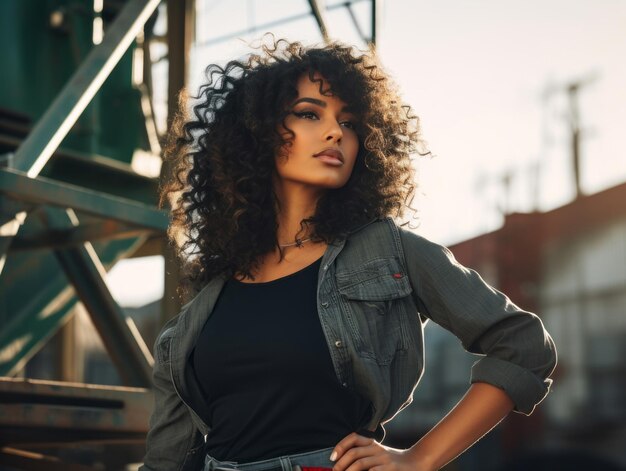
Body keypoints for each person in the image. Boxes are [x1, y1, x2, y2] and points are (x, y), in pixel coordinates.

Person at [141, 38, 557, 471]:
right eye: (308, 114)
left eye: (350, 122)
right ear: (256, 134)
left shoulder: (388, 252)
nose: (336, 132)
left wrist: (419, 459)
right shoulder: (208, 299)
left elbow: (524, 346)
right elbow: (165, 460)